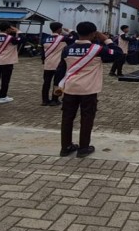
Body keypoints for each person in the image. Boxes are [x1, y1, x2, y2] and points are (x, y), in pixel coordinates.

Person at [55, 21, 122, 158]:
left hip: (70, 89)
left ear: (78, 33)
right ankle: (83, 148)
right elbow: (119, 54)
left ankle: (65, 147)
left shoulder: (67, 49)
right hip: (88, 90)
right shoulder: (97, 49)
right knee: (87, 118)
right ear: (93, 34)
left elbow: (61, 68)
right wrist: (107, 39)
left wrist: (57, 86)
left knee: (67, 118)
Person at [41, 22, 73, 106]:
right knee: (57, 83)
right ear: (59, 29)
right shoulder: (63, 38)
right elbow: (75, 38)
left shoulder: (45, 39)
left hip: (48, 64)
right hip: (59, 64)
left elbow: (42, 53)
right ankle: (54, 100)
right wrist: (70, 31)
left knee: (46, 82)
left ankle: (44, 100)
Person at [0, 22, 21, 104]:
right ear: (7, 29)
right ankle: (2, 97)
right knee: (5, 80)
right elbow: (22, 40)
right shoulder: (10, 38)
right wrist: (18, 32)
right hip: (7, 62)